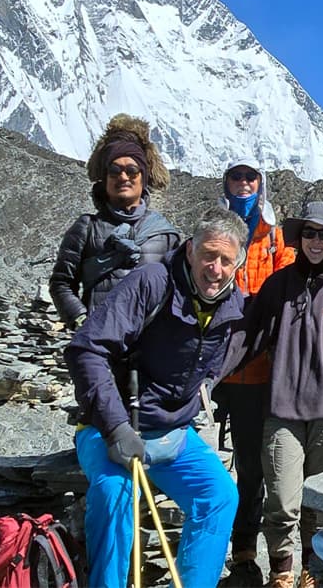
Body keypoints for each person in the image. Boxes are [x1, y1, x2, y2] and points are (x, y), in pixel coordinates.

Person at [64, 208, 249, 588]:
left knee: (219, 496)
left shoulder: (232, 306)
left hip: (171, 432)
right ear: (189, 251)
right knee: (115, 494)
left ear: (238, 263)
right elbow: (87, 349)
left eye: (226, 260)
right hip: (110, 428)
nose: (215, 269)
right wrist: (115, 427)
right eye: (208, 256)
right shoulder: (152, 282)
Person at [226, 201, 323, 588]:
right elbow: (249, 339)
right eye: (309, 233)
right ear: (300, 237)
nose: (316, 241)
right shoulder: (278, 286)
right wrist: (210, 373)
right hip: (282, 412)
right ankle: (283, 572)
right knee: (284, 501)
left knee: (315, 505)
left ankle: (312, 570)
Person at [214, 160, 296, 584]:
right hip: (229, 372)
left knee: (273, 466)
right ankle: (243, 550)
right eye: (236, 178)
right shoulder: (214, 230)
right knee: (245, 465)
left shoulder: (273, 234)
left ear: (260, 184)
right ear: (225, 184)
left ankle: (280, 558)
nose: (243, 184)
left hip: (270, 369)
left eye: (250, 178)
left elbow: (289, 281)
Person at [49, 114, 180, 329]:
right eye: (115, 170)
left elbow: (175, 289)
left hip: (147, 345)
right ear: (105, 178)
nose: (123, 177)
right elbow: (61, 283)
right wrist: (83, 321)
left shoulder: (164, 234)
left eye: (132, 170)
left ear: (143, 176)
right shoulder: (86, 228)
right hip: (97, 344)